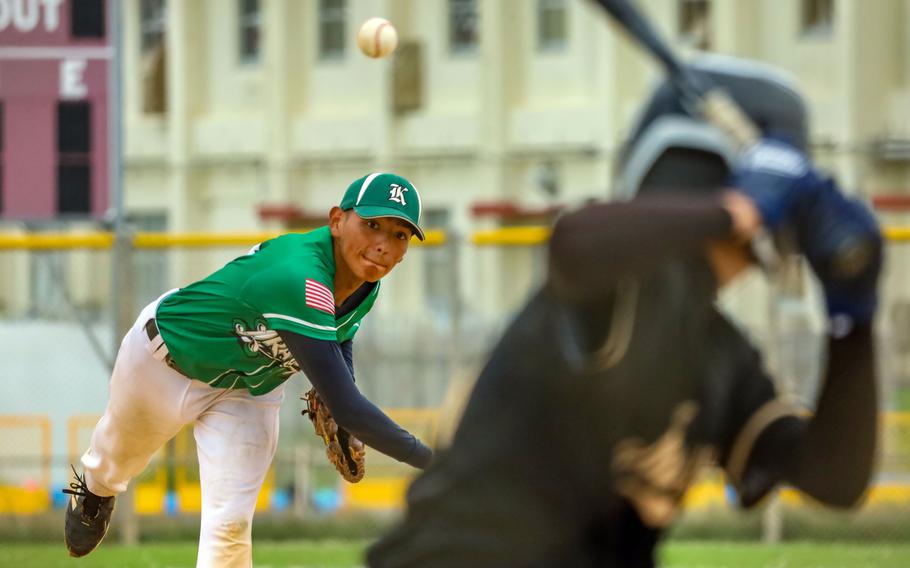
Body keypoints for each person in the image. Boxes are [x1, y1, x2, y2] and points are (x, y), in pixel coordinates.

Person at [367, 65, 883, 567]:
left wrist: (853, 320)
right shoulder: (615, 289)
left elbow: (834, 478)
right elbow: (575, 242)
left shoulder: (722, 354)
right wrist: (738, 208)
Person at [63, 173, 434, 567]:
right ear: (337, 221)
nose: (383, 244)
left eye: (399, 235)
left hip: (249, 390)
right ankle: (95, 489)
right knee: (113, 464)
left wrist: (344, 392)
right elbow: (348, 408)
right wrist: (439, 463)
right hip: (166, 361)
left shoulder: (364, 283)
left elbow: (341, 334)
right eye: (372, 224)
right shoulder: (300, 275)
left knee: (230, 527)